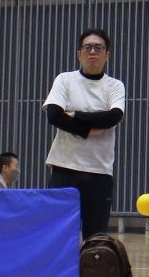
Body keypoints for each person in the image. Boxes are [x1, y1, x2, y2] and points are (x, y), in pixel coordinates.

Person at [44, 28, 126, 241]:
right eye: (88, 47)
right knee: (57, 235)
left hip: (99, 173)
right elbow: (54, 115)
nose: (93, 52)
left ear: (107, 55)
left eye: (98, 48)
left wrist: (74, 115)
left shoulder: (115, 86)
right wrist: (88, 130)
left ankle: (92, 276)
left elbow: (112, 117)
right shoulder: (65, 80)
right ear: (79, 53)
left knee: (95, 239)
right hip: (64, 169)